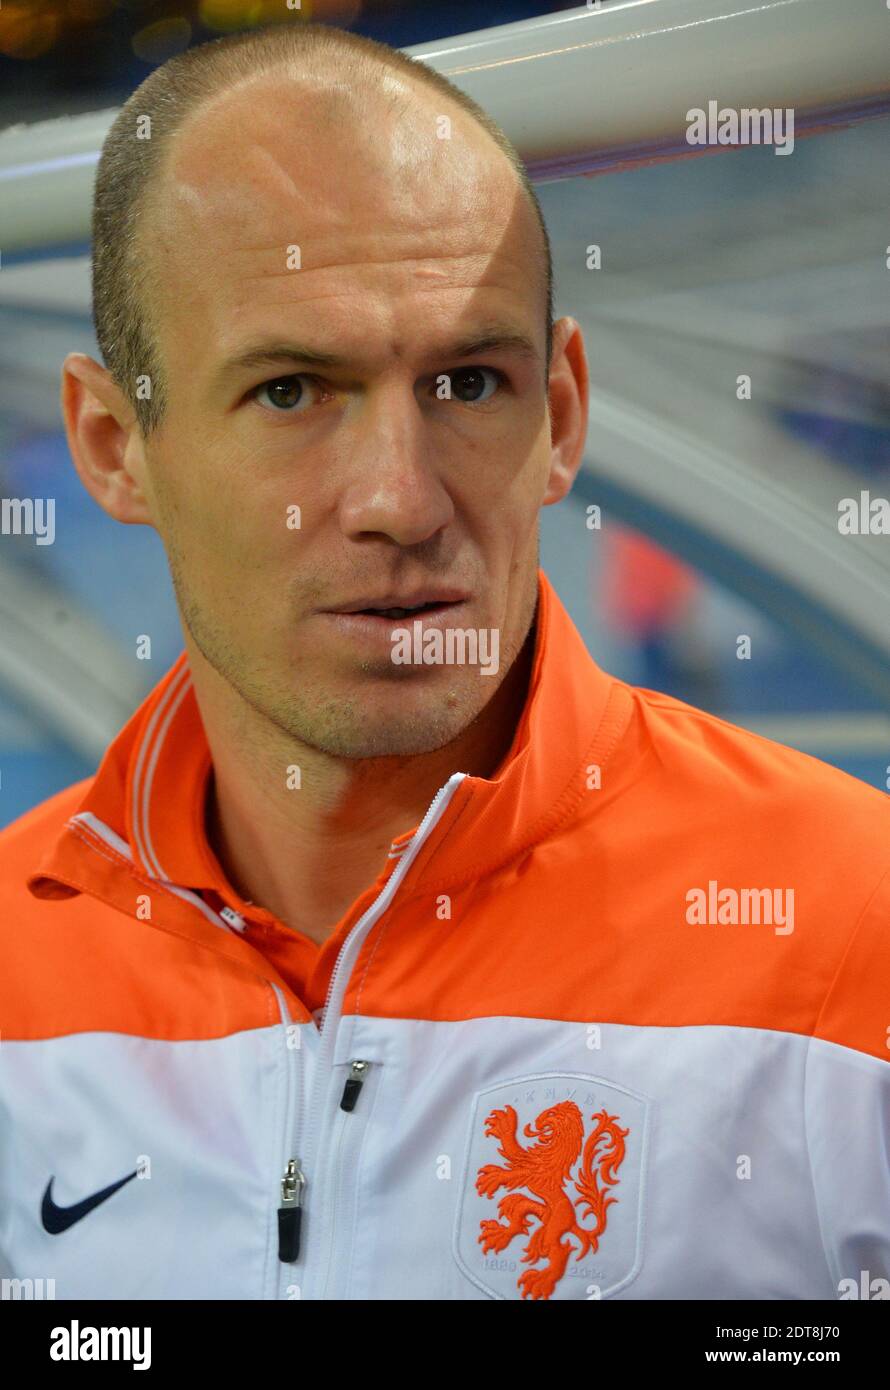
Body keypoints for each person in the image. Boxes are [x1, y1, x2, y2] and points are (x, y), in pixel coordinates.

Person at [1, 21, 888, 1303]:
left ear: (562, 415)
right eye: (293, 392)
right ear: (109, 444)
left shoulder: (852, 924)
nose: (400, 501)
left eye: (468, 384)